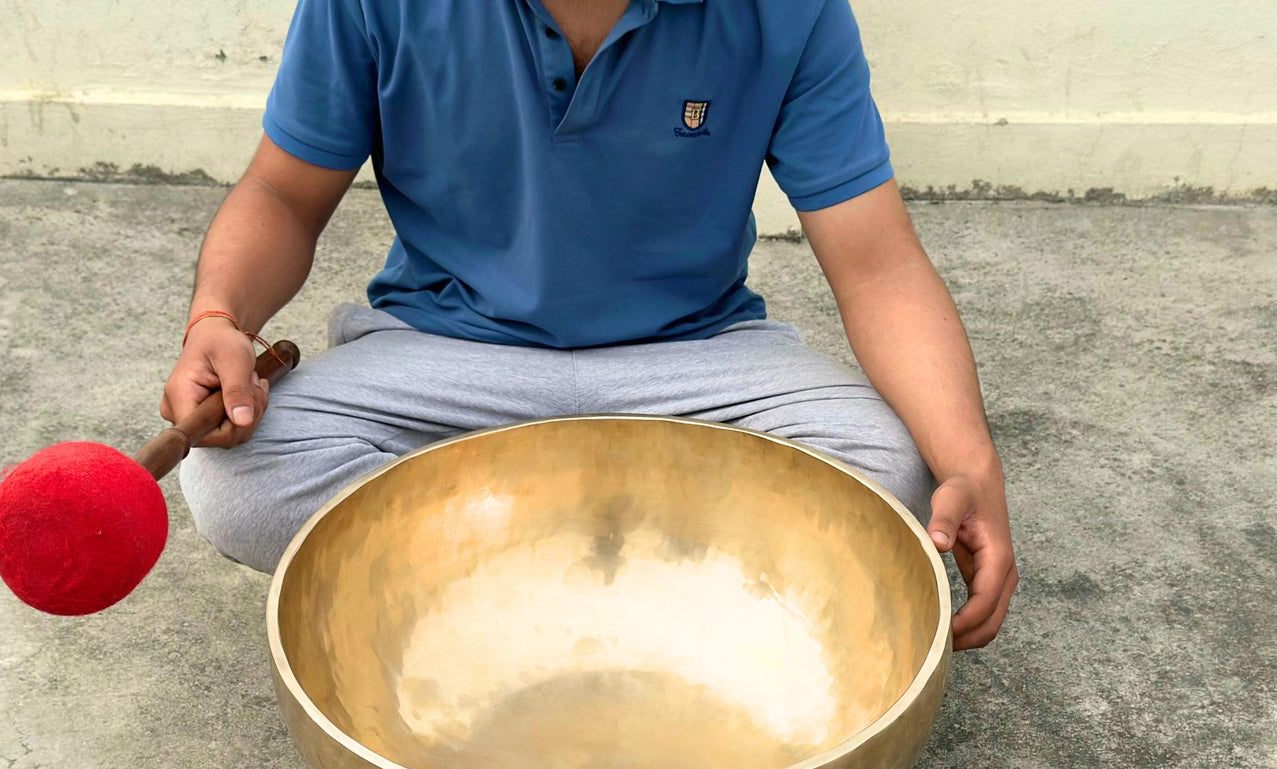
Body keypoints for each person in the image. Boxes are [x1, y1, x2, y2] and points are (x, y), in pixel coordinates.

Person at [162, 0, 1017, 649]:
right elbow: (282, 194)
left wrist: (969, 463)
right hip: (445, 353)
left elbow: (875, 263)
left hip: (693, 356)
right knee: (235, 474)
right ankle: (661, 573)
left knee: (890, 472)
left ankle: (482, 561)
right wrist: (220, 314)